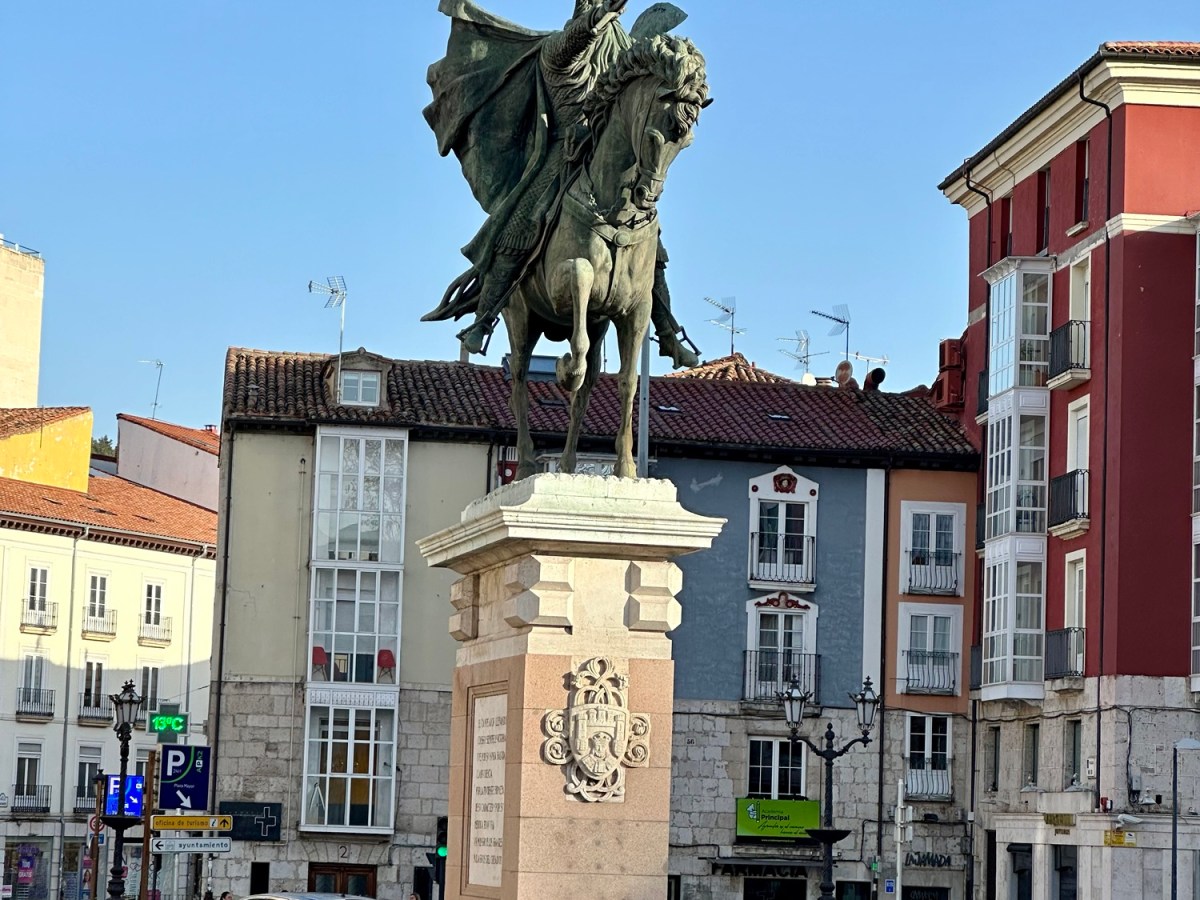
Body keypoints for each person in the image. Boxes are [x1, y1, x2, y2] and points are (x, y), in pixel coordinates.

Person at [423, 0, 699, 368]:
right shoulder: (558, 47)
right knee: (516, 227)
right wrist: (596, 21)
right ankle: (485, 318)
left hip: (612, 158)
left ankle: (667, 333)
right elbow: (568, 49)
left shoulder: (622, 52)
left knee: (653, 246)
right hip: (561, 155)